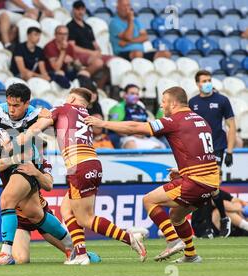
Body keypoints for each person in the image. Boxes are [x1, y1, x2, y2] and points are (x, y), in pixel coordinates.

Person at [86, 86, 221, 263]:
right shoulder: (201, 120)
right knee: (176, 216)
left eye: (164, 102)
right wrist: (182, 171)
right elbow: (202, 152)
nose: (162, 107)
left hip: (196, 182)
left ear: (173, 103)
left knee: (149, 200)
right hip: (211, 182)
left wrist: (103, 124)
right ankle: (191, 255)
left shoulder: (173, 120)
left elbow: (135, 127)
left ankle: (173, 240)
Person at [18, 88, 147, 265]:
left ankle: (130, 238)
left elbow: (38, 127)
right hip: (92, 163)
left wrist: (20, 139)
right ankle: (81, 254)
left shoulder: (63, 107)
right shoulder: (85, 114)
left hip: (78, 166)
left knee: (85, 218)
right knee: (67, 210)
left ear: (71, 98)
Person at [0, 83, 73, 265]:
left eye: (16, 106)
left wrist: (46, 117)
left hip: (28, 163)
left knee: (7, 199)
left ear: (27, 104)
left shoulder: (36, 115)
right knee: (34, 214)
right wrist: (4, 150)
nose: (11, 110)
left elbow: (48, 122)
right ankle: (76, 249)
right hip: (10, 161)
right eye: (9, 104)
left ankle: (5, 254)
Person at [0, 156, 101, 264]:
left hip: (41, 215)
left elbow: (49, 185)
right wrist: (17, 158)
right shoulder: (10, 158)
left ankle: (85, 255)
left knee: (73, 250)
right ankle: (6, 254)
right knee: (21, 259)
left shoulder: (42, 163)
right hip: (19, 219)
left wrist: (36, 172)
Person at [189, 70, 237, 238]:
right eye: (204, 80)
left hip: (216, 147)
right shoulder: (192, 102)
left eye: (209, 80)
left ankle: (216, 221)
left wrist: (229, 151)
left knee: (211, 185)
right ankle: (212, 223)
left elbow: (231, 125)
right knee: (203, 187)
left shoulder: (222, 100)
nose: (208, 82)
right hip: (198, 150)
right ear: (197, 84)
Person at [109, 84, 166, 149]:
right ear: (125, 95)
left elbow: (147, 124)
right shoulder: (118, 108)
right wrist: (132, 133)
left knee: (162, 147)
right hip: (127, 137)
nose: (135, 96)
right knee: (131, 145)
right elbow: (114, 127)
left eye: (137, 94)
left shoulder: (140, 108)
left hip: (144, 137)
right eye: (132, 93)